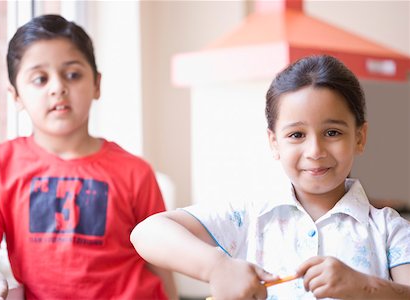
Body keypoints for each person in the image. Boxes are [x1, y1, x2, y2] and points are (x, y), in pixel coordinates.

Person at [131, 55, 410, 299]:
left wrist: (365, 287)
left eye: (332, 132)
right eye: (296, 135)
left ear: (360, 137)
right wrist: (217, 267)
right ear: (274, 142)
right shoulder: (250, 217)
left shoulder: (390, 230)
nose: (315, 151)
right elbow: (147, 233)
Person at [0, 14, 177, 300]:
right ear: (15, 96)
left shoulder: (135, 171)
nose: (57, 87)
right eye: (39, 79)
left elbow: (160, 263)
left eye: (73, 74)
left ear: (97, 84)